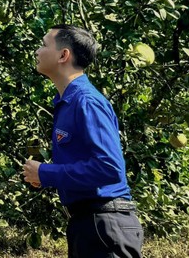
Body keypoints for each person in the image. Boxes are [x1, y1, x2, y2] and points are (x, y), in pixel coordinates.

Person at [23, 24, 143, 258]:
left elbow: (109, 168)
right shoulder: (66, 102)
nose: (37, 51)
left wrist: (46, 174)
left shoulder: (86, 101)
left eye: (44, 44)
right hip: (88, 225)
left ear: (63, 55)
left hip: (105, 225)